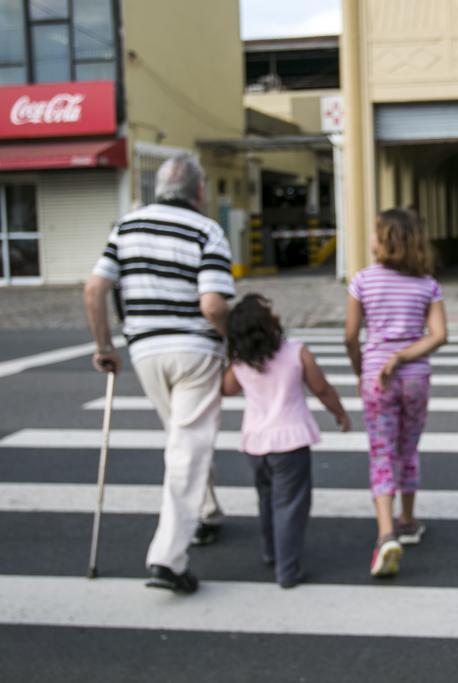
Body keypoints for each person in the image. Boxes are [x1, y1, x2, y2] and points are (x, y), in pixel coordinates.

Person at [84, 153, 234, 594]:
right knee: (189, 444)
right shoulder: (207, 229)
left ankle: (205, 511)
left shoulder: (127, 225)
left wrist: (104, 347)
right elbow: (213, 304)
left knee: (181, 437)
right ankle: (168, 558)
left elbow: (95, 289)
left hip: (146, 349)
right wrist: (233, 342)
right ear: (199, 191)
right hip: (194, 349)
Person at [221, 294, 352, 588]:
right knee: (290, 506)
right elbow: (321, 388)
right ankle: (288, 570)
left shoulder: (241, 362)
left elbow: (226, 389)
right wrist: (340, 414)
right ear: (268, 325)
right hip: (291, 442)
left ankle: (271, 552)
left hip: (255, 443)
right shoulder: (296, 352)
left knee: (267, 500)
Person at [345, 208, 448, 578]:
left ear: (387, 240)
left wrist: (364, 369)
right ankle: (407, 518)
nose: (370, 240)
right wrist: (404, 354)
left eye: (375, 233)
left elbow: (350, 336)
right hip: (416, 376)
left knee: (381, 450)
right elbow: (439, 336)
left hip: (377, 378)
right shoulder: (427, 284)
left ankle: (386, 533)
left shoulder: (362, 281)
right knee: (408, 447)